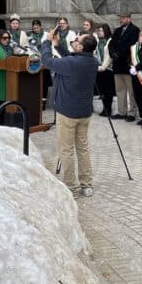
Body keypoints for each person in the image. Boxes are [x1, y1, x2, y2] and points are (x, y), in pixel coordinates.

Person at [40, 31, 99, 197]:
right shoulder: (92, 61)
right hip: (84, 112)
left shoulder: (72, 63)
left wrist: (47, 42)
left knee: (66, 150)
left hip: (67, 113)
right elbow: (71, 58)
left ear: (80, 47)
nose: (73, 40)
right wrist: (58, 45)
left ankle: (71, 187)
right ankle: (86, 184)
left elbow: (46, 61)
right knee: (83, 149)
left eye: (76, 40)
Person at [109, 13, 141, 122]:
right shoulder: (117, 30)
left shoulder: (135, 30)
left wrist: (120, 54)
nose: (120, 20)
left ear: (129, 19)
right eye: (120, 18)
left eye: (122, 18)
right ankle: (122, 111)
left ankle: (132, 112)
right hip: (117, 65)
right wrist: (113, 54)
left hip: (127, 64)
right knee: (120, 90)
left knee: (131, 90)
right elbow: (111, 44)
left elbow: (131, 45)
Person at [94, 23, 116, 118]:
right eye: (98, 31)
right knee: (102, 91)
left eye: (101, 31)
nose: (99, 32)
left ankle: (108, 110)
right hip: (99, 69)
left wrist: (103, 66)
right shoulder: (98, 42)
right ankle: (104, 109)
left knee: (108, 92)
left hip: (108, 69)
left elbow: (109, 57)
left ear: (106, 31)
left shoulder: (110, 41)